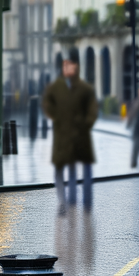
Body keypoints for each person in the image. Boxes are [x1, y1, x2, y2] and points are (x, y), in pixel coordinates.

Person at [41, 56, 98, 213]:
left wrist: (85, 124)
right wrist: (57, 117)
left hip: (81, 136)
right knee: (64, 168)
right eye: (65, 66)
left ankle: (86, 203)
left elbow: (92, 110)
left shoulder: (85, 89)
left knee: (84, 168)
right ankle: (66, 202)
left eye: (70, 66)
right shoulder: (56, 88)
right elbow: (47, 104)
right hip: (62, 136)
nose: (67, 69)